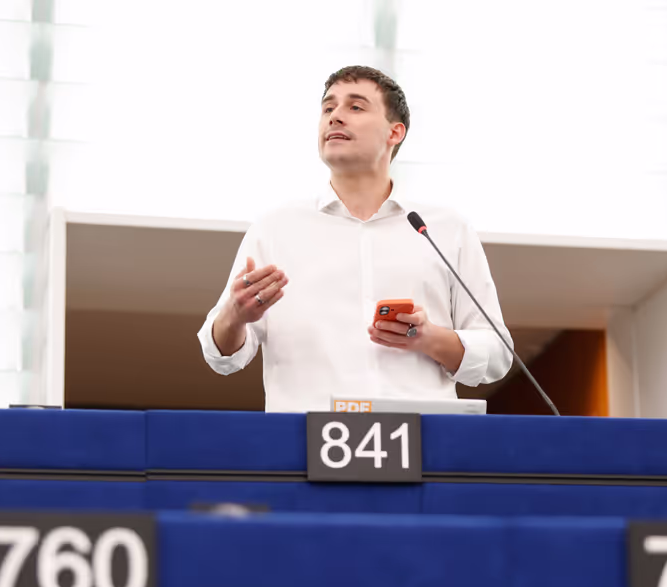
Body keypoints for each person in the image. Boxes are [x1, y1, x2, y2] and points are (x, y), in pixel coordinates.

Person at [197, 65, 513, 412]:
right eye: (328, 108)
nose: (335, 117)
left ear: (395, 132)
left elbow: (497, 354)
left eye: (355, 107)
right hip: (309, 447)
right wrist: (235, 315)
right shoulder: (274, 228)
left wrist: (429, 338)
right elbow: (220, 357)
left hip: (423, 447)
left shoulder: (445, 228)